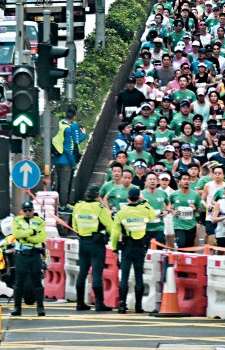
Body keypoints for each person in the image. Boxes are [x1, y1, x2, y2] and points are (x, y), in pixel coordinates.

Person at [110, 187, 156, 314]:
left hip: (127, 246)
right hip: (140, 247)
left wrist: (114, 248)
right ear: (138, 198)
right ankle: (138, 306)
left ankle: (122, 305)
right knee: (139, 275)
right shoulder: (144, 210)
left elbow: (115, 232)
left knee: (124, 275)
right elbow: (153, 215)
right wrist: (145, 201)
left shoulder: (121, 212)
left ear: (128, 198)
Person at [71, 184, 114, 312]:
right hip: (96, 244)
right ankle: (99, 303)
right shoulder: (99, 207)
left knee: (82, 272)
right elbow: (110, 226)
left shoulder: (78, 206)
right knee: (96, 273)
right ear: (97, 196)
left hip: (83, 243)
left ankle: (79, 302)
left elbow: (75, 226)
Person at [11, 201, 47, 317]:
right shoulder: (17, 220)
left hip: (35, 254)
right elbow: (16, 234)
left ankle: (40, 308)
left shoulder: (40, 221)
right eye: (25, 210)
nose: (27, 212)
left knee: (37, 281)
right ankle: (17, 308)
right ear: (22, 211)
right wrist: (32, 232)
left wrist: (26, 238)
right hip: (22, 255)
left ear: (33, 210)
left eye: (29, 210)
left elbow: (41, 237)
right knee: (19, 282)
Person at [52, 105, 87, 209]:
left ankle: (56, 205)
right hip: (66, 160)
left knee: (58, 182)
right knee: (64, 184)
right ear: (75, 116)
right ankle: (63, 206)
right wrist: (73, 163)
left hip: (57, 158)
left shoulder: (59, 124)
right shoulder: (70, 128)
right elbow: (70, 147)